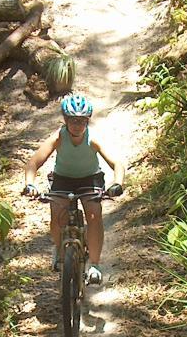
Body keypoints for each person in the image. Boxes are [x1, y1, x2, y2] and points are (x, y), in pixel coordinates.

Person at [22, 93, 125, 286]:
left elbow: (116, 163)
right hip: (63, 179)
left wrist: (117, 183)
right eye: (73, 120)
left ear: (87, 121)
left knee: (94, 215)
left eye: (82, 121)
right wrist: (30, 184)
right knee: (57, 217)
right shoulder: (59, 137)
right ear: (65, 120)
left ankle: (94, 265)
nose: (77, 125)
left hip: (90, 179)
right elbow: (33, 163)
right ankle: (60, 251)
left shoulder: (92, 139)